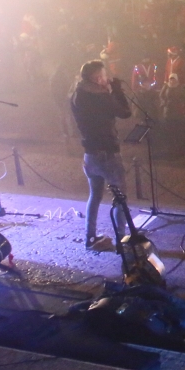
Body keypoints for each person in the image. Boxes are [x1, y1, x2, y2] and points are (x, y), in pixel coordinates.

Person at [70, 60, 132, 251]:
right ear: (97, 78)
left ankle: (90, 237)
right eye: (104, 76)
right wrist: (117, 91)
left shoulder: (77, 94)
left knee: (95, 195)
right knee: (120, 198)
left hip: (90, 153)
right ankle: (121, 240)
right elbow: (125, 112)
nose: (107, 79)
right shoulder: (102, 97)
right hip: (108, 153)